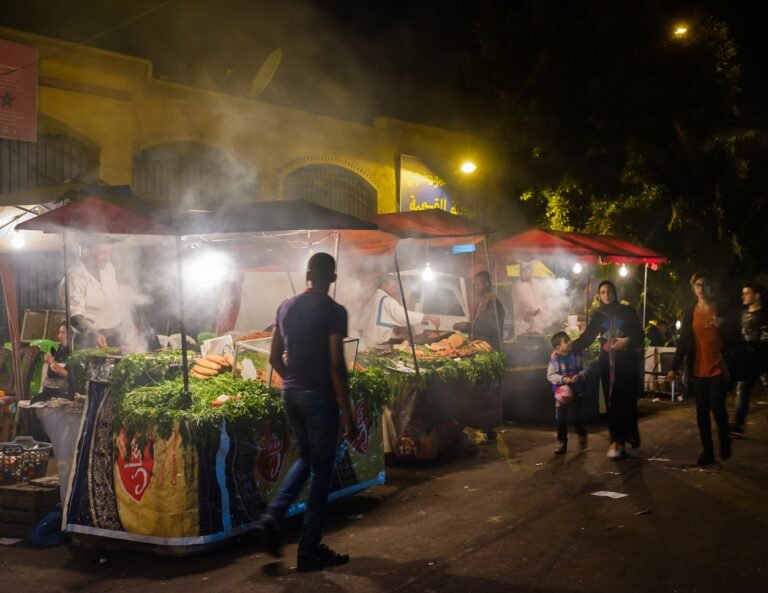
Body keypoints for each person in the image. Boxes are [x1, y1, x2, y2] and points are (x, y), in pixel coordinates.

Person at [257, 252, 358, 572]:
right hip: (319, 399)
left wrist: (295, 383)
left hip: (291, 394)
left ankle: (273, 516)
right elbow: (336, 366)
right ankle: (309, 550)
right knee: (320, 473)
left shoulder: (285, 307)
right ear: (333, 278)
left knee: (305, 458)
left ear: (307, 274)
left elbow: (273, 357)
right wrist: (349, 412)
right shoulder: (334, 311)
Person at [667, 272, 735, 465]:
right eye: (698, 285)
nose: (701, 288)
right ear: (693, 288)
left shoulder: (720, 308)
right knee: (701, 411)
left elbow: (734, 331)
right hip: (697, 368)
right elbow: (683, 341)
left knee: (716, 406)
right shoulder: (689, 311)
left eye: (705, 285)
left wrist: (723, 323)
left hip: (718, 366)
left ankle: (724, 438)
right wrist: (674, 367)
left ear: (710, 288)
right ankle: (708, 451)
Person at [572, 280, 643, 460]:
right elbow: (587, 337)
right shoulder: (599, 316)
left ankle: (629, 434)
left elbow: (640, 336)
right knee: (612, 400)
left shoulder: (627, 312)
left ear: (615, 292)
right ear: (599, 295)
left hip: (626, 362)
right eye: (602, 292)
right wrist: (569, 346)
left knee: (626, 400)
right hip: (607, 363)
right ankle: (617, 439)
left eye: (609, 291)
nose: (606, 295)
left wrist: (626, 341)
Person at [58, 239, 123, 349]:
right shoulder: (73, 278)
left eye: (109, 253)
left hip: (116, 334)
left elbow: (117, 301)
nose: (108, 258)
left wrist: (127, 325)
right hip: (91, 339)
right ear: (87, 252)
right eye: (103, 253)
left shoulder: (109, 268)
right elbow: (75, 315)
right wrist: (93, 334)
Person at [360, 275, 440, 349]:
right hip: (378, 345)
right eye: (393, 287)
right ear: (384, 285)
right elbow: (402, 315)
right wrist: (427, 317)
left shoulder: (374, 298)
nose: (395, 291)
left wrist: (394, 336)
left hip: (368, 342)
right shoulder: (387, 300)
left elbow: (379, 323)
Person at [730, 281, 768, 434]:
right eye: (743, 293)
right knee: (743, 389)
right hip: (748, 358)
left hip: (764, 356)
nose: (743, 296)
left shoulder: (765, 314)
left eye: (747, 293)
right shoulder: (743, 313)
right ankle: (738, 424)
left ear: (756, 295)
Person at [547, 331, 588, 454]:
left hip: (576, 392)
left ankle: (582, 434)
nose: (570, 342)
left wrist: (580, 376)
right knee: (561, 419)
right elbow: (550, 376)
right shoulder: (554, 359)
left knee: (577, 417)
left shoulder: (578, 355)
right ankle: (561, 442)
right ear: (558, 347)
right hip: (561, 394)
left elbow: (587, 368)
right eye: (566, 341)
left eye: (569, 340)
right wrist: (563, 379)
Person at [453, 270, 505, 350]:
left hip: (490, 349)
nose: (475, 288)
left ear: (487, 284)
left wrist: (467, 326)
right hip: (479, 347)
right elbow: (481, 323)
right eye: (474, 285)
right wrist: (466, 325)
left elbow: (491, 328)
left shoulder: (494, 304)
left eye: (478, 285)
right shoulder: (483, 301)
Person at [514, 261, 544, 334]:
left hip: (537, 325)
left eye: (526, 270)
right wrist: (532, 311)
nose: (523, 273)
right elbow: (522, 302)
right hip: (523, 325)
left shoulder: (537, 283)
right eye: (521, 270)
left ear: (531, 271)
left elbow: (542, 299)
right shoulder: (518, 285)